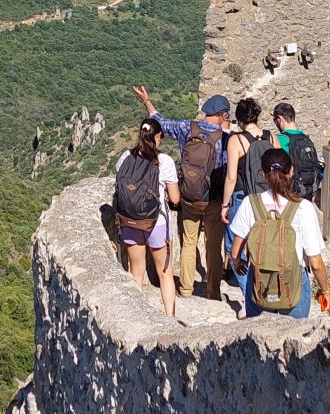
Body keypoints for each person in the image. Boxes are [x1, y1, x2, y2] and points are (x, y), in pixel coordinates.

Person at [132, 86, 230, 299]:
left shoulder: (187, 127)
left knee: (188, 243)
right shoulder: (226, 138)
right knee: (214, 246)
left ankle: (186, 289)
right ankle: (213, 292)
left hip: (188, 198)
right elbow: (229, 172)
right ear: (223, 115)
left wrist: (147, 101)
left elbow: (160, 121)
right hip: (213, 200)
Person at [227, 148, 330, 319]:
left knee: (258, 333)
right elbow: (315, 262)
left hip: (259, 283)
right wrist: (325, 291)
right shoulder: (304, 208)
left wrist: (238, 263)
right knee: (296, 334)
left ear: (263, 174)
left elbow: (234, 252)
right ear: (291, 171)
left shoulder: (249, 203)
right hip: (294, 283)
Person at [113, 118, 179, 316]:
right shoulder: (165, 161)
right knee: (165, 273)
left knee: (136, 272)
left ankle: (136, 317)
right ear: (157, 137)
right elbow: (175, 199)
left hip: (130, 221)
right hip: (156, 223)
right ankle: (169, 319)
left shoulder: (125, 157)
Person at [218, 98, 269, 309]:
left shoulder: (236, 141)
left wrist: (224, 205)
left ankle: (249, 299)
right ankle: (265, 292)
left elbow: (231, 177)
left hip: (242, 198)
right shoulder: (270, 136)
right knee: (263, 245)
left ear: (239, 119)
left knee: (234, 247)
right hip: (267, 198)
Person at [271, 102, 324, 203]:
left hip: (288, 196)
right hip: (307, 196)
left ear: (279, 119)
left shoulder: (279, 139)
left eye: (275, 120)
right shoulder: (307, 140)